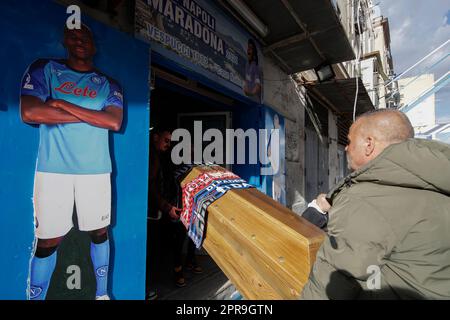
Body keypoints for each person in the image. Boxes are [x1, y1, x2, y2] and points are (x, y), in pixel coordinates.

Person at [300, 109, 450, 299]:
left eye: (349, 141)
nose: (345, 148)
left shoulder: (364, 199)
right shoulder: (437, 181)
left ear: (369, 144)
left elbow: (334, 283)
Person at [20, 24, 123, 300]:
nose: (79, 40)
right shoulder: (46, 69)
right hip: (54, 170)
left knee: (100, 231)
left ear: (94, 45)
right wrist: (92, 115)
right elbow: (30, 111)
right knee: (48, 242)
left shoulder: (108, 83)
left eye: (85, 36)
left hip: (96, 170)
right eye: (73, 36)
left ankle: (102, 295)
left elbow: (113, 120)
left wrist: (62, 105)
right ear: (65, 40)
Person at [147, 128, 201, 294]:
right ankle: (149, 285)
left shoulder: (162, 158)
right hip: (162, 211)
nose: (168, 145)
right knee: (157, 248)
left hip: (171, 210)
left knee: (179, 239)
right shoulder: (157, 159)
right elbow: (151, 187)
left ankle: (186, 264)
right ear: (155, 137)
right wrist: (167, 206)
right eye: (166, 141)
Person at [243, 39, 262, 103]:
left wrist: (250, 93)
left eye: (251, 48)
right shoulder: (247, 64)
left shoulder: (255, 66)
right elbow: (246, 80)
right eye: (248, 47)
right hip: (247, 98)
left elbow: (258, 85)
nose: (248, 49)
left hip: (254, 100)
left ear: (254, 52)